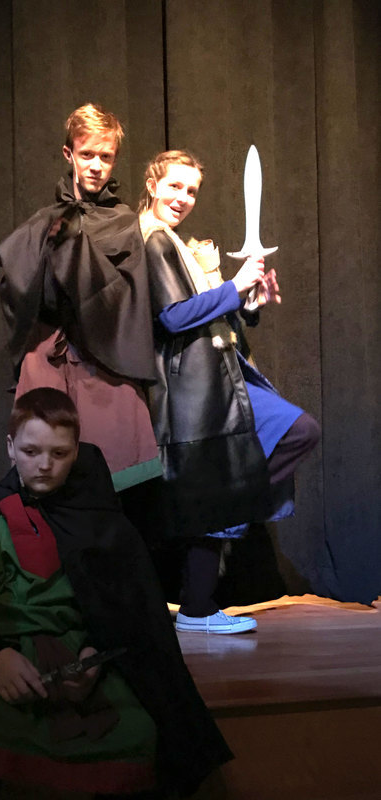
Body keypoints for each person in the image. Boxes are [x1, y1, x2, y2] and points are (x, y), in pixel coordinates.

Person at [0, 388, 232, 799]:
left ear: (76, 451)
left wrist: (94, 653)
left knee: (141, 730)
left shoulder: (100, 519)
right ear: (10, 448)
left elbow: (126, 608)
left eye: (59, 453)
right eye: (31, 451)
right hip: (2, 656)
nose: (44, 465)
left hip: (81, 657)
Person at [136, 150, 320, 635]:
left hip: (220, 374)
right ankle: (197, 604)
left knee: (280, 443)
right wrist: (235, 287)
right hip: (194, 384)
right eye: (174, 186)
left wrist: (250, 301)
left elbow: (207, 309)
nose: (183, 197)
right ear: (152, 185)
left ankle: (199, 599)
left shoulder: (177, 243)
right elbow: (173, 316)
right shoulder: (153, 240)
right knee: (279, 444)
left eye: (191, 190)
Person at [0, 103, 161, 493]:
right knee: (43, 470)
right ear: (69, 154)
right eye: (87, 154)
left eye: (105, 157)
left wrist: (75, 252)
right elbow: (18, 290)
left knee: (113, 475)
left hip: (104, 360)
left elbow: (127, 299)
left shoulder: (123, 222)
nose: (96, 165)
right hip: (48, 357)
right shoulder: (46, 220)